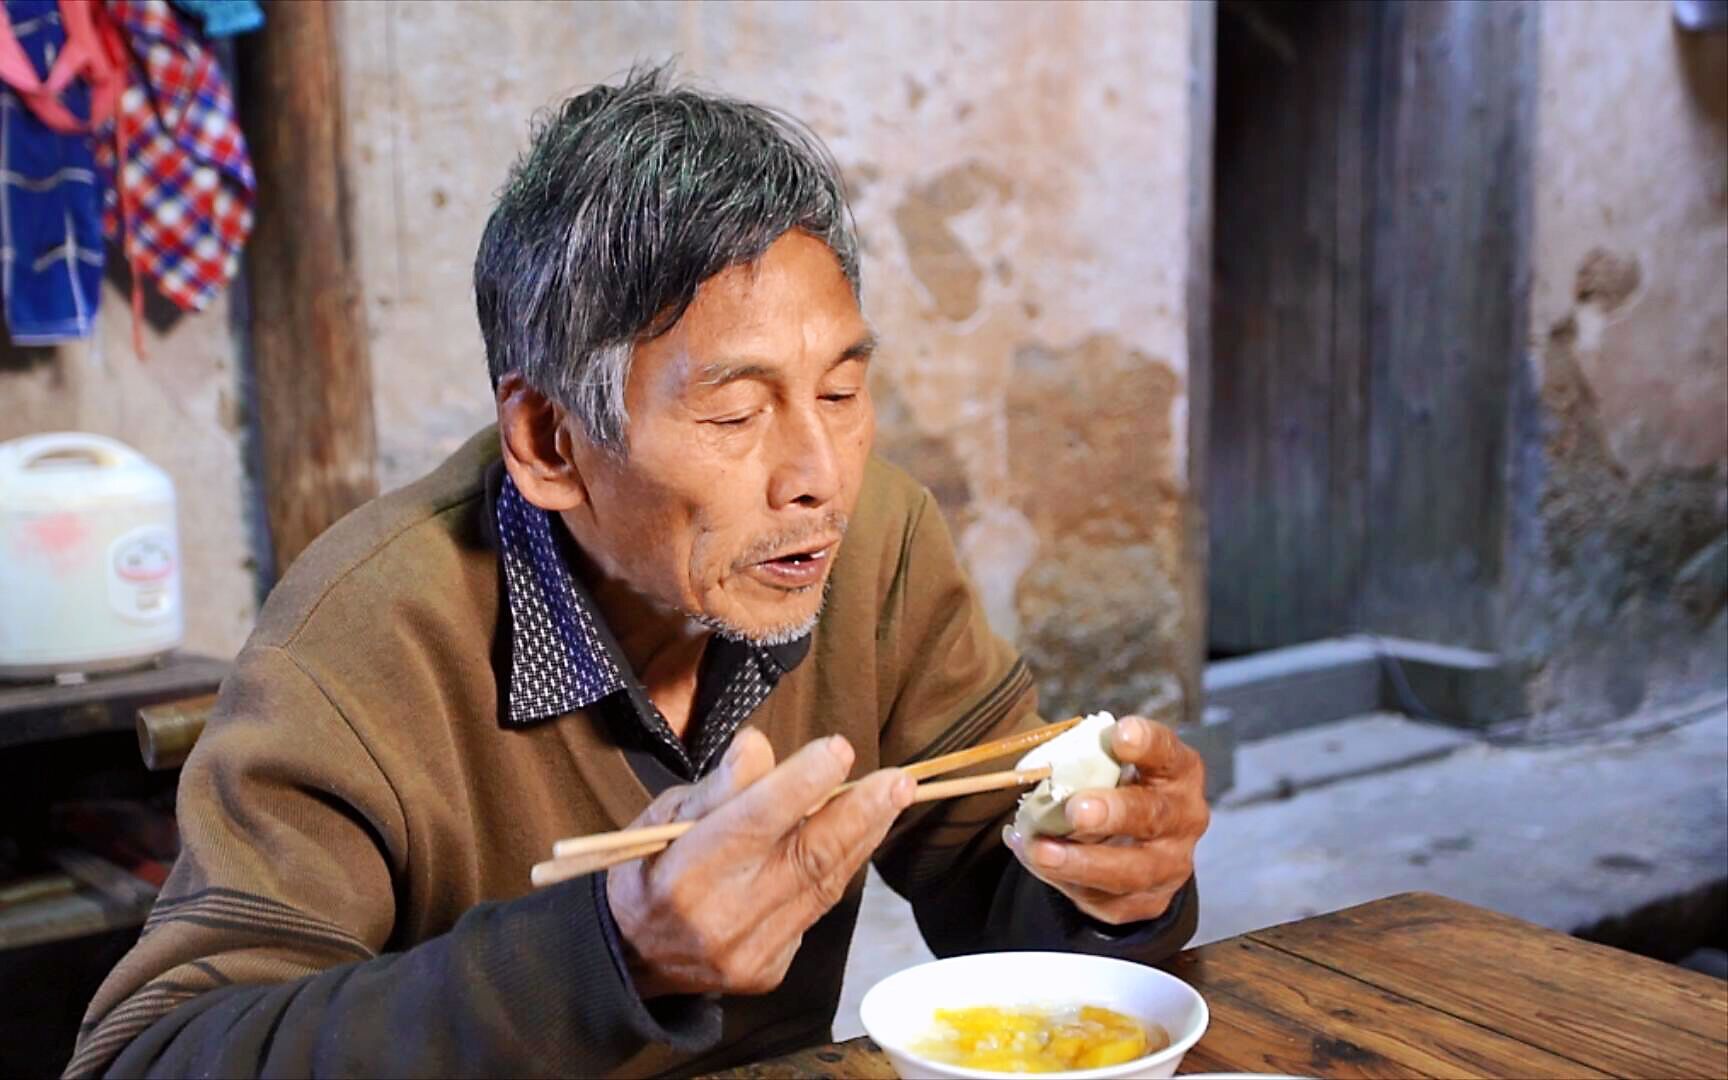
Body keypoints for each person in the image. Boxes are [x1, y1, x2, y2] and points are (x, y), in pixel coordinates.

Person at [68, 66, 1209, 1078]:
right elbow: (150, 1054)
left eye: (843, 392)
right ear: (552, 444)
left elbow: (1005, 910)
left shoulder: (876, 545)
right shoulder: (358, 644)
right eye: (733, 408)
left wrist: (1117, 889)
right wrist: (606, 955)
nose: (819, 475)